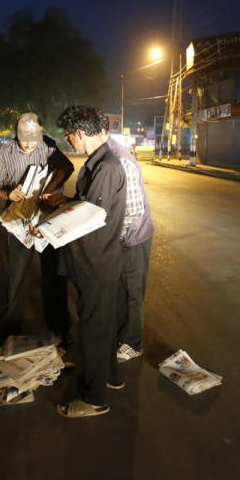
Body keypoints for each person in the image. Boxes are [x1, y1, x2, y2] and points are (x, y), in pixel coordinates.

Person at [45, 105, 126, 418]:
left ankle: (93, 399)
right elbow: (90, 205)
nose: (69, 142)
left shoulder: (106, 167)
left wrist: (53, 221)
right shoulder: (99, 162)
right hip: (99, 259)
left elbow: (91, 217)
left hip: (95, 261)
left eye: (69, 136)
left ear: (81, 133)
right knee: (103, 323)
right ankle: (112, 377)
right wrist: (63, 202)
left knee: (92, 330)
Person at [0, 112, 74, 343]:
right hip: (19, 217)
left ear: (40, 136)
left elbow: (66, 168)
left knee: (53, 273)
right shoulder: (5, 153)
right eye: (23, 139)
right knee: (17, 274)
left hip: (46, 216)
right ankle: (10, 328)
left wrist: (52, 190)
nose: (28, 145)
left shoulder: (48, 147)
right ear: (16, 135)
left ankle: (60, 327)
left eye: (33, 140)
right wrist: (8, 193)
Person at [99, 117, 154, 363]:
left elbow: (132, 212)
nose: (72, 139)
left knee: (133, 293)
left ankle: (133, 343)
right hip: (121, 239)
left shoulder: (119, 159)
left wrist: (110, 241)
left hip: (132, 240)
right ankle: (122, 334)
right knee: (121, 289)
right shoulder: (103, 157)